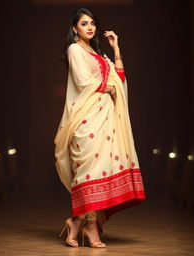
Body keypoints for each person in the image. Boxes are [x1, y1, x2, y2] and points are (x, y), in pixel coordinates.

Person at [55, 7, 146, 248]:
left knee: (103, 170)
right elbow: (84, 81)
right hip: (87, 120)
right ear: (75, 28)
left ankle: (77, 223)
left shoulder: (98, 53)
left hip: (106, 118)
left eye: (92, 23)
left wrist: (116, 50)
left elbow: (120, 79)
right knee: (89, 172)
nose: (90, 27)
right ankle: (89, 226)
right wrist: (110, 88)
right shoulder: (75, 50)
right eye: (84, 24)